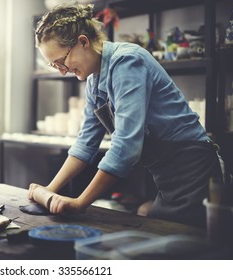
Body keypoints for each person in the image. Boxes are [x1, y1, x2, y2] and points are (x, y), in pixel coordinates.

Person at [28, 4, 222, 227]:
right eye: (54, 66)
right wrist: (49, 190)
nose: (61, 70)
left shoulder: (127, 61)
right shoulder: (94, 81)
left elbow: (126, 146)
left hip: (193, 169)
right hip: (165, 176)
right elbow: (85, 145)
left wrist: (81, 202)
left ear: (83, 41)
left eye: (61, 61)